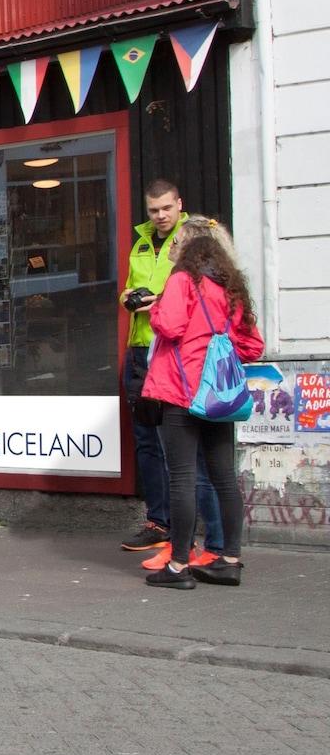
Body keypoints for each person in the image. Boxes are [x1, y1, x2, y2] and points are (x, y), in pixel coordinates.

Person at [139, 220, 262, 588]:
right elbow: (252, 345)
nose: (172, 245)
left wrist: (156, 308)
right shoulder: (231, 287)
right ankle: (230, 560)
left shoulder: (182, 280)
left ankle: (178, 567)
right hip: (218, 393)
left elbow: (171, 326)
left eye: (176, 241)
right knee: (225, 478)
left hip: (181, 390)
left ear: (188, 249)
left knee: (182, 479)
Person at [119, 180, 222, 555]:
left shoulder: (193, 241)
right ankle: (159, 522)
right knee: (146, 441)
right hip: (140, 348)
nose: (160, 216)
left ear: (180, 204)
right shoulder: (142, 243)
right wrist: (130, 298)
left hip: (174, 353)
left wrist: (160, 304)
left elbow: (196, 297)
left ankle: (197, 540)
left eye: (165, 208)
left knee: (184, 451)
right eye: (153, 210)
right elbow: (128, 286)